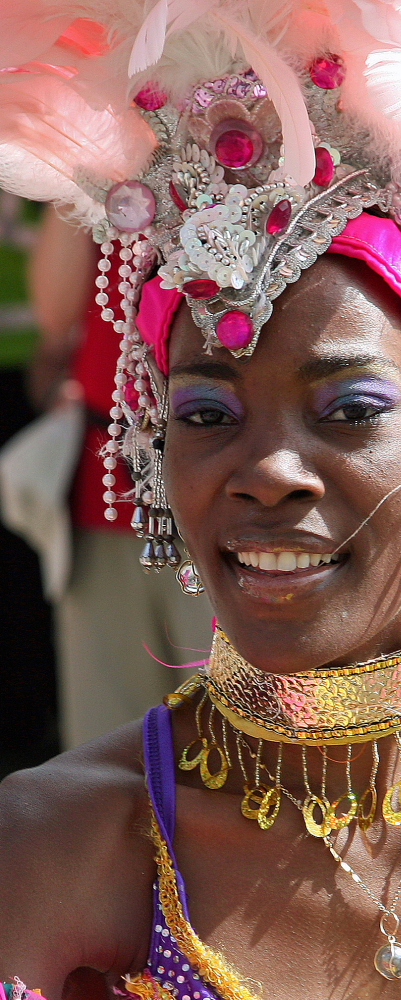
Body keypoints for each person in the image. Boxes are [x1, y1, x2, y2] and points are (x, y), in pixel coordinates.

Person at [0, 3, 401, 1000]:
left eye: (345, 409)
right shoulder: (50, 847)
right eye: (208, 412)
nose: (268, 469)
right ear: (153, 447)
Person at [27, 206, 211, 748]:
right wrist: (72, 177)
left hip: (226, 489)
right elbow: (54, 316)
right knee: (107, 746)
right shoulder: (99, 177)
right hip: (106, 486)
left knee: (239, 743)